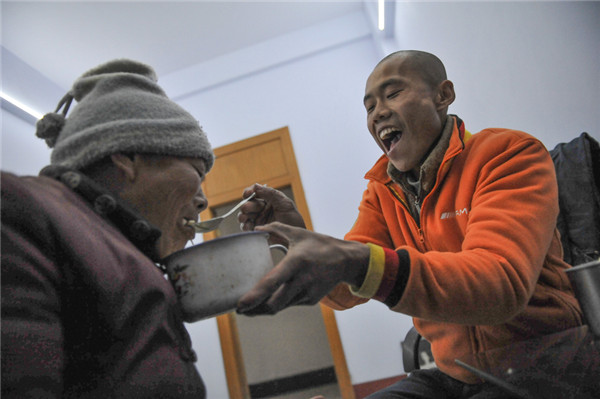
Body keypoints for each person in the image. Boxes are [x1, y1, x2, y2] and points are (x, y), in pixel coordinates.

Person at [236, 50, 583, 398]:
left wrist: (354, 260)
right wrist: (298, 236)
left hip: (544, 364)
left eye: (393, 93)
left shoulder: (507, 154)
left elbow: (499, 283)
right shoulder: (383, 191)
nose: (379, 113)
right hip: (456, 373)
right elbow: (343, 291)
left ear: (443, 95)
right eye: (369, 106)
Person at [1, 59, 215, 397]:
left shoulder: (136, 258)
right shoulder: (19, 210)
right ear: (126, 158)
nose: (203, 200)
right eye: (195, 171)